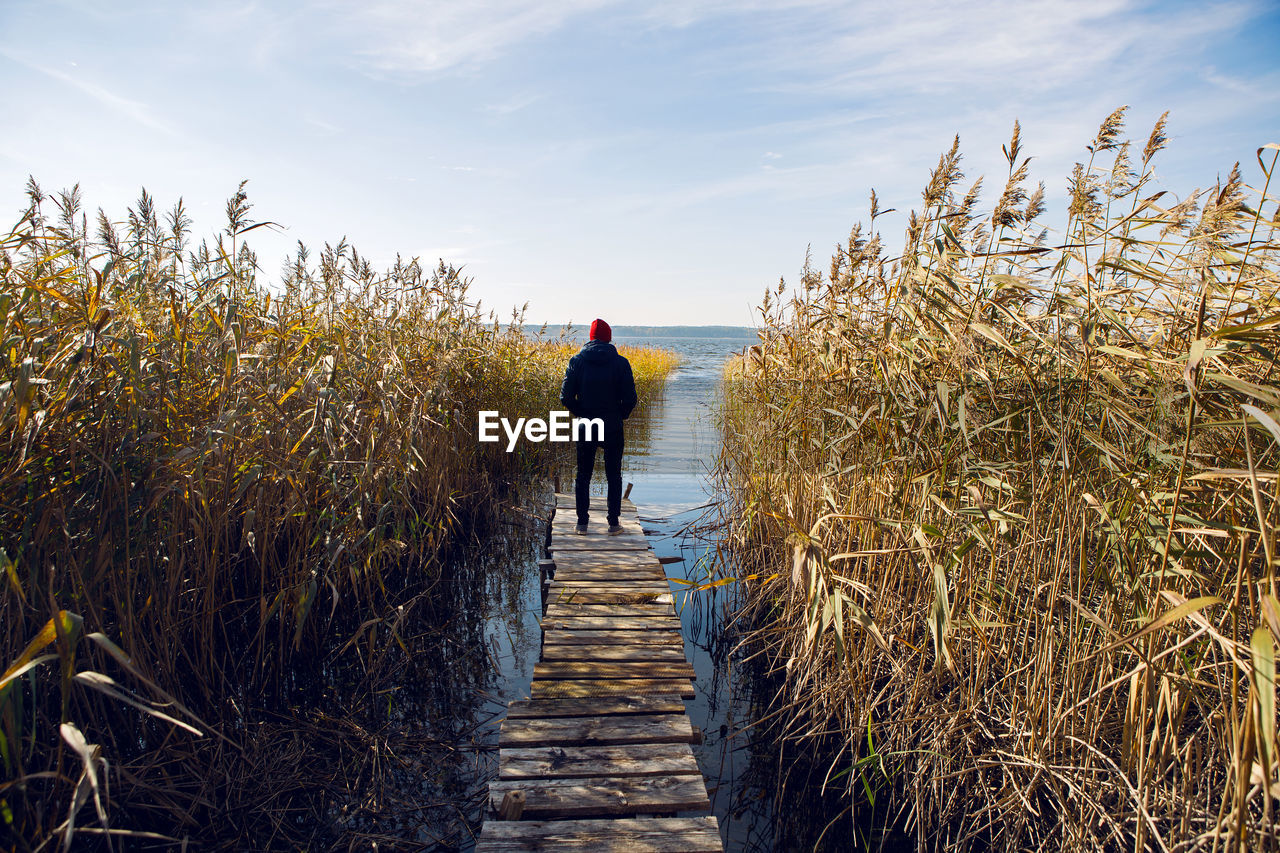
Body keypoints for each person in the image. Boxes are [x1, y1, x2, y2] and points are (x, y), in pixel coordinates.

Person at [559, 318, 637, 535]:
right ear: (609, 337)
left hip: (587, 424)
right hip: (612, 426)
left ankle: (582, 524)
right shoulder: (621, 363)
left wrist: (582, 412)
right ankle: (613, 524)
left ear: (591, 337)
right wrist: (619, 415)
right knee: (614, 474)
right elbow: (630, 399)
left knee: (583, 474)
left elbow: (565, 396)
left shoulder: (577, 361)